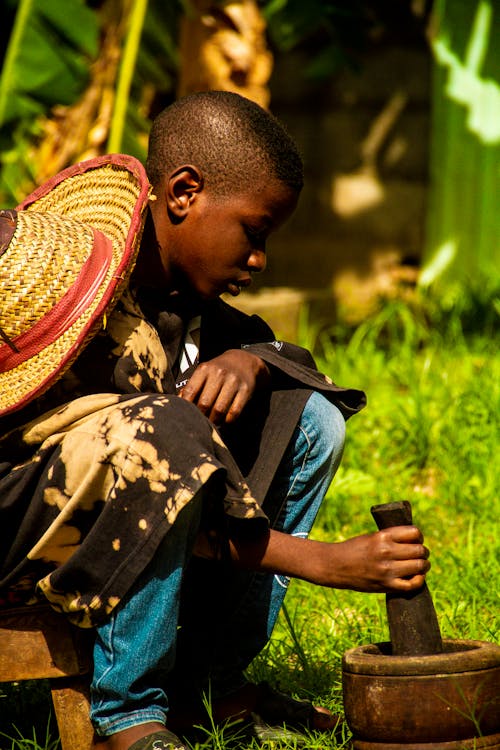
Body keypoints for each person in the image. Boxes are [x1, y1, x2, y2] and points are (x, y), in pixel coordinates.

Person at [0, 91, 430, 750]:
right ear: (183, 193)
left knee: (307, 417)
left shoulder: (173, 291)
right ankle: (129, 715)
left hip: (101, 509)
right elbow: (153, 488)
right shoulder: (69, 306)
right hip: (18, 530)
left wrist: (254, 361)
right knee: (169, 430)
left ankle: (212, 684)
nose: (260, 260)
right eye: (254, 232)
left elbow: (296, 366)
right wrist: (323, 561)